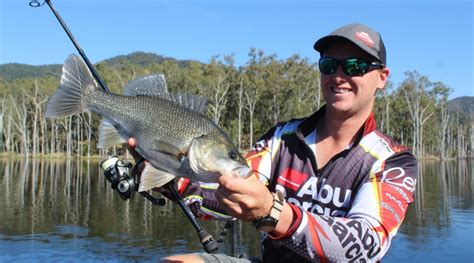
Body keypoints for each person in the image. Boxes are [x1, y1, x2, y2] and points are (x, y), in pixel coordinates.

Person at [126, 22, 417, 262]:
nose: (339, 76)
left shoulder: (392, 161)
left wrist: (273, 212)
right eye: (329, 65)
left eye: (355, 66)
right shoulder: (282, 139)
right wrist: (173, 179)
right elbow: (227, 198)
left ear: (382, 77)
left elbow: (364, 245)